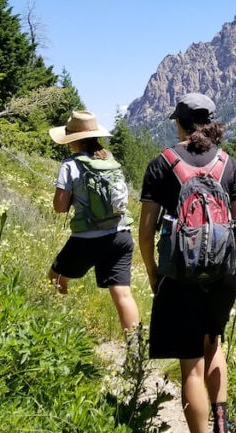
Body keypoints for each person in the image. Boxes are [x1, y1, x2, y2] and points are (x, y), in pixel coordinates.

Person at [138, 93, 236, 433]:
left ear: (179, 122)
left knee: (190, 363)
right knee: (213, 342)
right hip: (224, 271)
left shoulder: (163, 163)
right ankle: (221, 424)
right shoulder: (227, 164)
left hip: (181, 272)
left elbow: (146, 233)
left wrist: (154, 273)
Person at [47, 110, 141, 332]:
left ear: (73, 140)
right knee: (123, 293)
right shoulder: (109, 160)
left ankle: (57, 331)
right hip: (121, 235)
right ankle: (135, 350)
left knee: (56, 279)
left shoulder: (70, 165)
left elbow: (59, 208)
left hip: (87, 239)